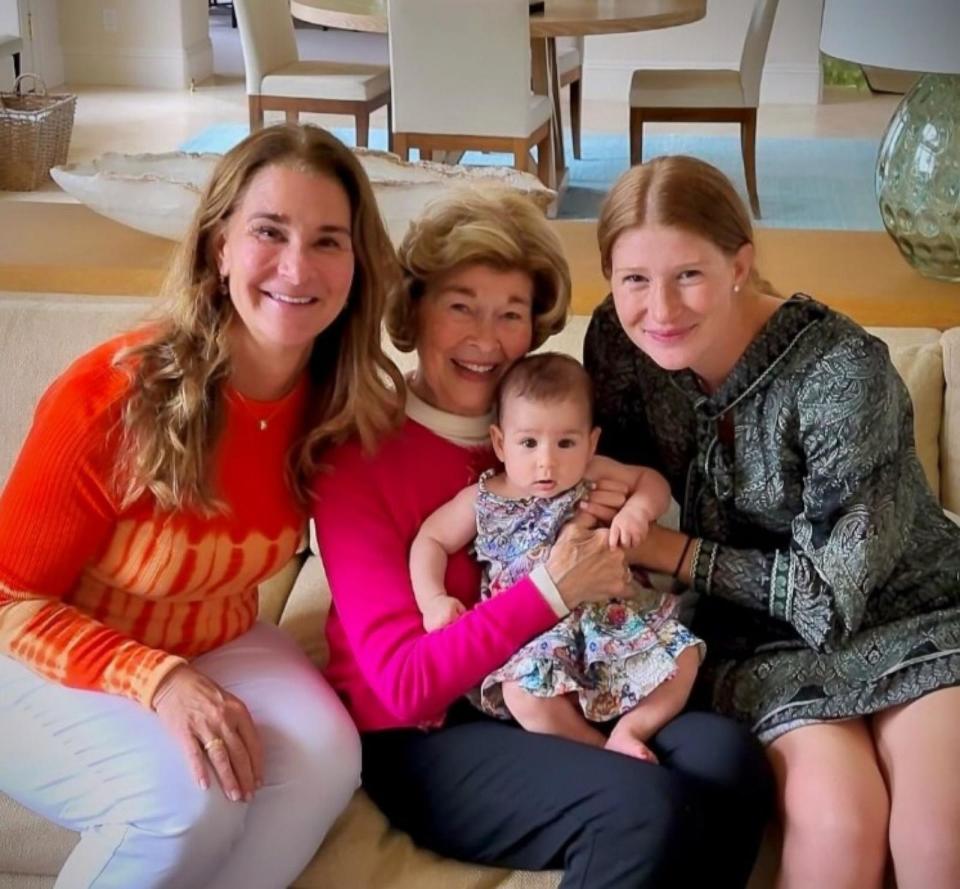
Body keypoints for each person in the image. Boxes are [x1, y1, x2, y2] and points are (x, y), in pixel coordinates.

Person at [311, 186, 772, 889]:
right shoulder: (359, 456)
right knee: (640, 808)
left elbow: (634, 521)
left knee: (728, 760)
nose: (485, 337)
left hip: (567, 686)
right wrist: (552, 589)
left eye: (511, 313)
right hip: (430, 735)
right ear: (413, 313)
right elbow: (405, 685)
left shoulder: (555, 439)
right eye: (460, 304)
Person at [0, 124, 404, 889]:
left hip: (212, 633)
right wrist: (158, 679)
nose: (296, 266)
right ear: (219, 246)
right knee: (186, 802)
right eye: (268, 232)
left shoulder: (337, 404)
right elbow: (8, 596)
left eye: (328, 240)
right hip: (33, 651)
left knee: (326, 756)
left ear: (357, 264)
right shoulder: (109, 400)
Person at [585, 154, 960, 889]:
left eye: (688, 273)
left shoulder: (842, 368)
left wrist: (673, 548)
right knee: (837, 823)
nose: (659, 309)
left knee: (937, 835)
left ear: (739, 263)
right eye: (634, 279)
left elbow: (829, 595)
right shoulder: (618, 347)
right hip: (752, 639)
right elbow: (601, 483)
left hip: (910, 612)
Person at [410, 351, 703, 763]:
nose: (546, 461)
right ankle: (603, 751)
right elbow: (431, 540)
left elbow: (650, 482)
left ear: (590, 442)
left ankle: (630, 730)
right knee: (522, 696)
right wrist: (433, 601)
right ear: (499, 442)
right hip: (536, 634)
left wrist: (638, 509)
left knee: (686, 656)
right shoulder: (484, 497)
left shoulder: (592, 471)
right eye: (528, 442)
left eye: (565, 442)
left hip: (613, 619)